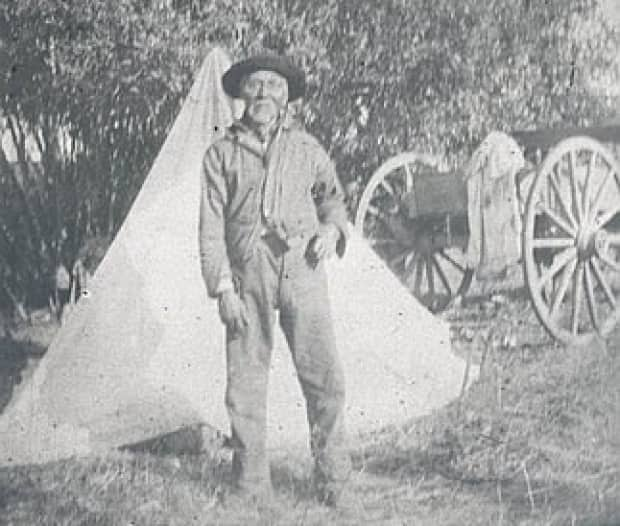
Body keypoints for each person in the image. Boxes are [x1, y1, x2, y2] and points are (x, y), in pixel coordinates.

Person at [199, 53, 351, 506]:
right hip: (249, 278)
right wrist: (222, 287)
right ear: (241, 93)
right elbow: (209, 226)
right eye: (255, 85)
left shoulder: (307, 147)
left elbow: (333, 199)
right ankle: (250, 486)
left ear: (287, 95)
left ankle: (335, 481)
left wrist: (330, 230)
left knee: (326, 377)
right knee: (245, 381)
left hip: (303, 269)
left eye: (274, 86)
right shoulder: (221, 153)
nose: (265, 93)